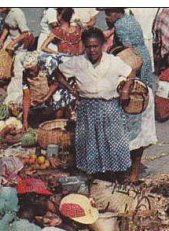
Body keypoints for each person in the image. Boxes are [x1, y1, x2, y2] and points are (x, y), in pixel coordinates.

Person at [56, 27, 135, 178]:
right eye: (88, 46)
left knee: (114, 142)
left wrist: (126, 89)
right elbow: (59, 73)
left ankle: (117, 177)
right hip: (87, 108)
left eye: (95, 46)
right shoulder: (78, 62)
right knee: (90, 143)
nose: (92, 50)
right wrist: (71, 89)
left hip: (110, 107)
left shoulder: (113, 61)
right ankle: (95, 177)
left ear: (102, 45)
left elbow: (130, 73)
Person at [105, 8, 158, 184]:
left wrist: (129, 74)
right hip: (143, 60)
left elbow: (128, 49)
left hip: (133, 64)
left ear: (116, 13)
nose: (106, 17)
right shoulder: (131, 19)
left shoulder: (120, 25)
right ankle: (132, 172)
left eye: (108, 13)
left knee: (129, 128)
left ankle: (124, 171)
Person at [21, 51, 76, 130]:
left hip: (67, 68)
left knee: (59, 99)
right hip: (55, 76)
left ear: (37, 65)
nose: (31, 73)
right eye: (28, 70)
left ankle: (62, 121)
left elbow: (57, 81)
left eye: (32, 70)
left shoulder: (48, 63)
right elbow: (26, 96)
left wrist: (45, 98)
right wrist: (25, 121)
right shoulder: (25, 73)